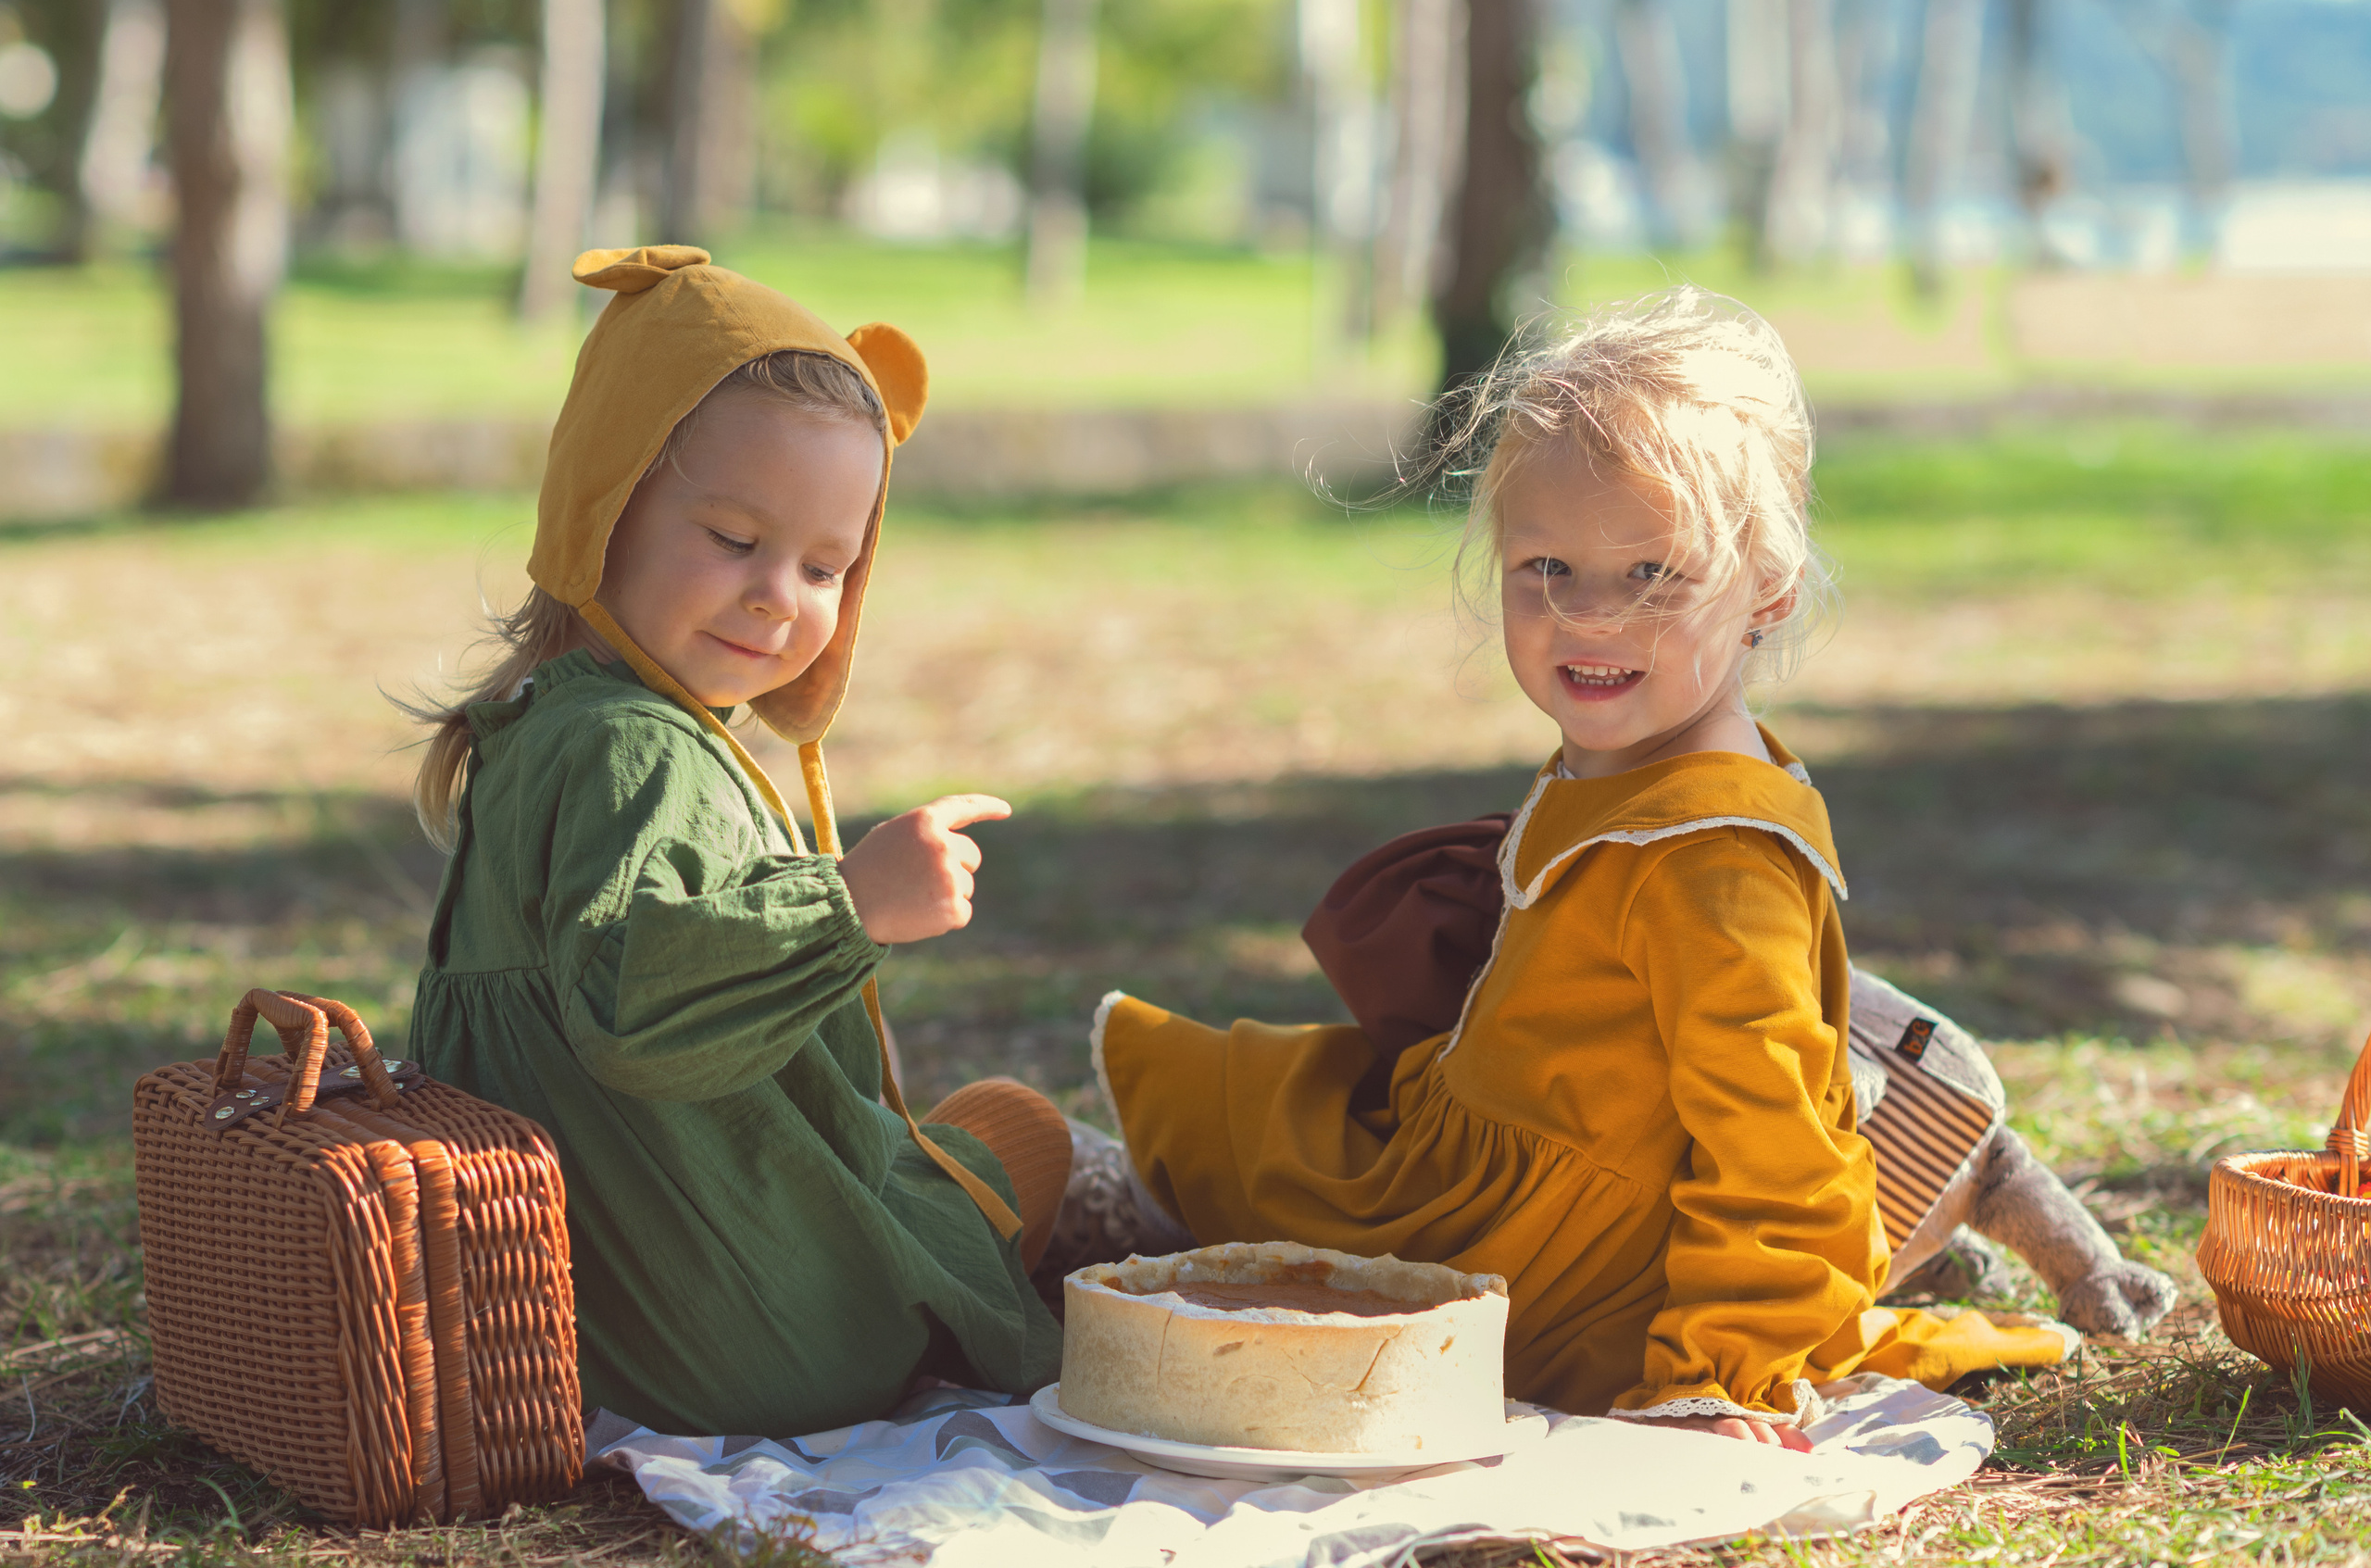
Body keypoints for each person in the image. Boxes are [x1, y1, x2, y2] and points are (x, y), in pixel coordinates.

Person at [1089, 290, 2075, 1449]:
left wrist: (1717, 1373)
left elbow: (1776, 1147)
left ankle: (1043, 1211)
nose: (1589, 617)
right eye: (1545, 567)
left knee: (1186, 1173)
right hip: (1487, 1161)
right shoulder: (1639, 761)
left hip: (1558, 1277)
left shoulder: (1715, 862)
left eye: (1654, 575)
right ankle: (1077, 1205)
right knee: (1237, 1110)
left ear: (1768, 592)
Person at [402, 245, 1067, 1437]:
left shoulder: (543, 728)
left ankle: (1016, 1190)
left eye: (826, 566)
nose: (779, 597)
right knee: (1016, 1136)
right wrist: (851, 902)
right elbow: (638, 1010)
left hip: (580, 1317)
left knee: (976, 1146)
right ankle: (1064, 1206)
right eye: (733, 539)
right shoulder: (634, 752)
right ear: (602, 505)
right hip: (750, 1330)